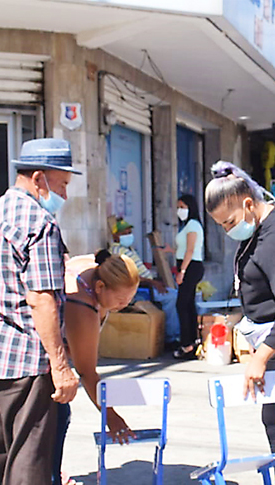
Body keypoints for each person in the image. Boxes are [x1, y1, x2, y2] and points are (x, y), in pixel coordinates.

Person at [0, 138, 80, 485]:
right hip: (27, 362)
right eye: (61, 183)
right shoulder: (39, 223)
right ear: (39, 179)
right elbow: (42, 299)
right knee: (29, 461)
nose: (63, 193)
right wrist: (60, 367)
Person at [205, 160, 275, 484]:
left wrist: (261, 356)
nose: (228, 231)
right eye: (221, 226)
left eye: (229, 222)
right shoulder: (259, 226)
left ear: (247, 203)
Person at [53, 250, 140, 485]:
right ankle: (50, 476)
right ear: (100, 287)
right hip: (37, 361)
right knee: (56, 417)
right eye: (121, 300)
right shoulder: (82, 306)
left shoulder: (92, 266)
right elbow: (87, 372)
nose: (124, 305)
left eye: (130, 299)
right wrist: (110, 416)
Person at [109, 217, 182, 347]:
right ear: (116, 236)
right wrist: (152, 283)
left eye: (129, 232)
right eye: (124, 233)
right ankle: (171, 337)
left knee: (175, 293)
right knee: (172, 297)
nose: (128, 236)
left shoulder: (128, 249)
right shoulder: (117, 251)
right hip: (141, 287)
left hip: (148, 283)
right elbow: (129, 276)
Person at [160, 194, 205, 359]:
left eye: (183, 207)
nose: (180, 210)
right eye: (178, 207)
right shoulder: (188, 225)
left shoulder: (192, 225)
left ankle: (187, 344)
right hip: (189, 265)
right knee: (188, 304)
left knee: (181, 304)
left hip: (190, 267)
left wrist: (182, 272)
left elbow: (190, 250)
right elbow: (184, 249)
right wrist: (171, 251)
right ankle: (192, 341)